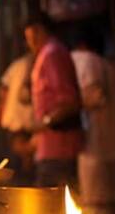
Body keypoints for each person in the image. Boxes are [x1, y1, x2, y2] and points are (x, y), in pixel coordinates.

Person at [24, 14, 83, 188]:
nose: (29, 44)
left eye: (29, 38)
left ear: (38, 32)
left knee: (51, 207)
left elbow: (69, 102)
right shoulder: (46, 54)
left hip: (59, 148)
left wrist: (44, 124)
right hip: (48, 147)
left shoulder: (52, 54)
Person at [71, 28, 115, 214]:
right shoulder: (109, 65)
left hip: (95, 138)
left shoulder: (85, 59)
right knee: (108, 202)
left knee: (96, 206)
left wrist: (68, 107)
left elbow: (95, 95)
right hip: (111, 138)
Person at [0, 53, 35, 184]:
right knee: (16, 174)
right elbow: (3, 90)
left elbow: (3, 89)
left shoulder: (19, 64)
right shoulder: (24, 64)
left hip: (26, 123)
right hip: (19, 123)